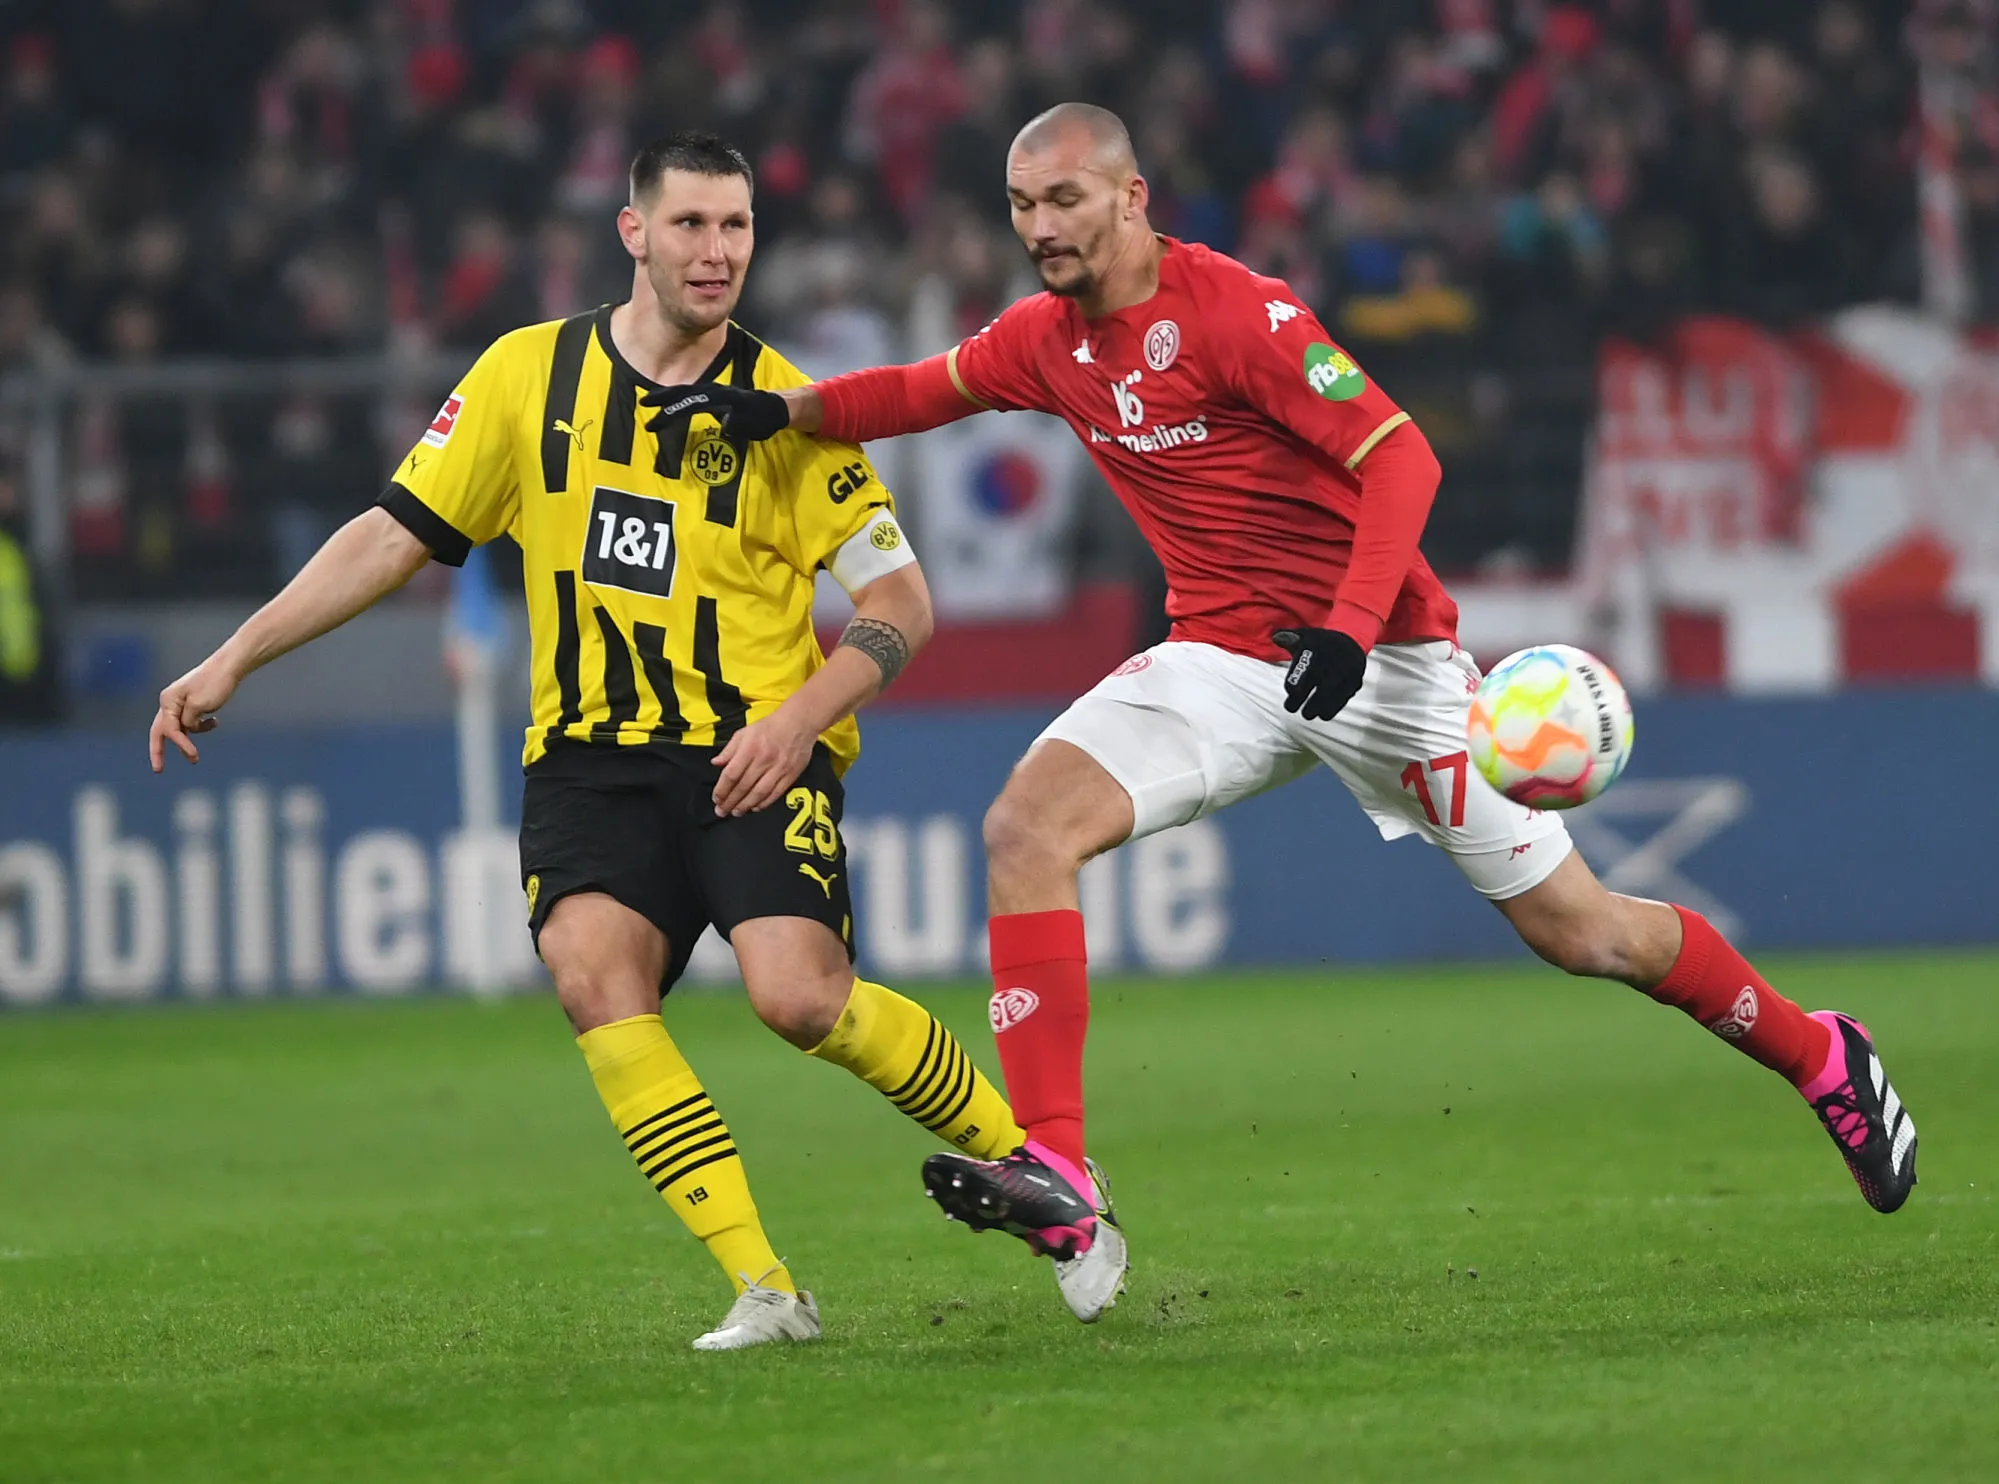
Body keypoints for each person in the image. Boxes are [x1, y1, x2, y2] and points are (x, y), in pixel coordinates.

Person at [648, 103, 1920, 1317]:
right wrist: (784, 410)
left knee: (1584, 931)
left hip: (1390, 667)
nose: (1039, 224)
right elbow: (919, 390)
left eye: (1066, 198)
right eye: (1022, 203)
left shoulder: (1236, 312)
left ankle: (1822, 1056)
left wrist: (1353, 629)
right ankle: (1061, 1169)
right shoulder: (1045, 337)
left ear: (1132, 198)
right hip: (1221, 661)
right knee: (1023, 830)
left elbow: (1401, 455)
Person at [148, 132, 1064, 1350]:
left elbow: (902, 604)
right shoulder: (529, 379)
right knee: (595, 978)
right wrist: (232, 657)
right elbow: (392, 532)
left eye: (736, 227)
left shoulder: (786, 410)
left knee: (798, 1000)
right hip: (586, 754)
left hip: (751, 748)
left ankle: (1045, 1177)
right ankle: (765, 1286)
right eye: (690, 225)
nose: (716, 251)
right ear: (632, 232)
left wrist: (800, 722)